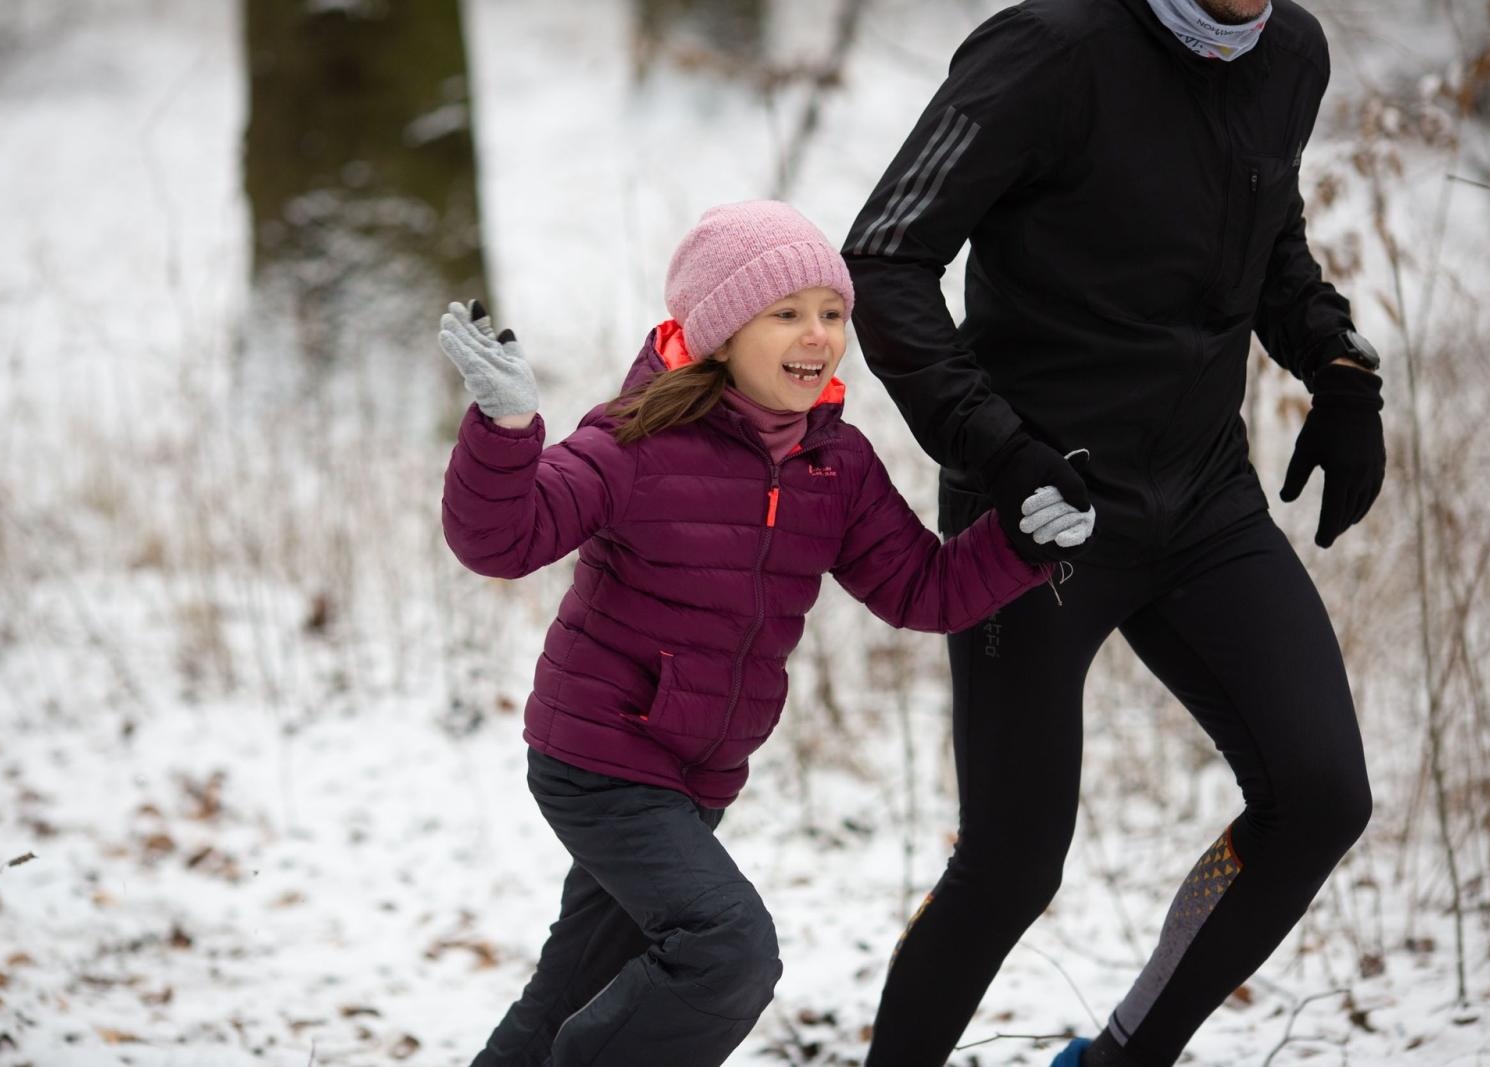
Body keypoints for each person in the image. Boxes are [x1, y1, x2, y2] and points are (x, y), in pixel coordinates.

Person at [841, 0, 1385, 1064]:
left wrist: (1336, 366)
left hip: (1202, 496)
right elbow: (886, 259)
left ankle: (1119, 1058)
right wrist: (997, 448)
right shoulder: (1048, 51)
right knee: (1010, 864)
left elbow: (1266, 241)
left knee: (1320, 795)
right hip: (1039, 507)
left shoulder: (1289, 54)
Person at [439, 201, 1058, 1067]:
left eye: (832, 314)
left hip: (701, 776)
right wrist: (506, 434)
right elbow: (501, 540)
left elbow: (923, 588)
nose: (818, 335)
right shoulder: (637, 439)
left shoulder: (836, 465)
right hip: (602, 757)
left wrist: (1020, 540)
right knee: (728, 950)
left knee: (575, 987)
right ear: (723, 332)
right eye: (787, 313)